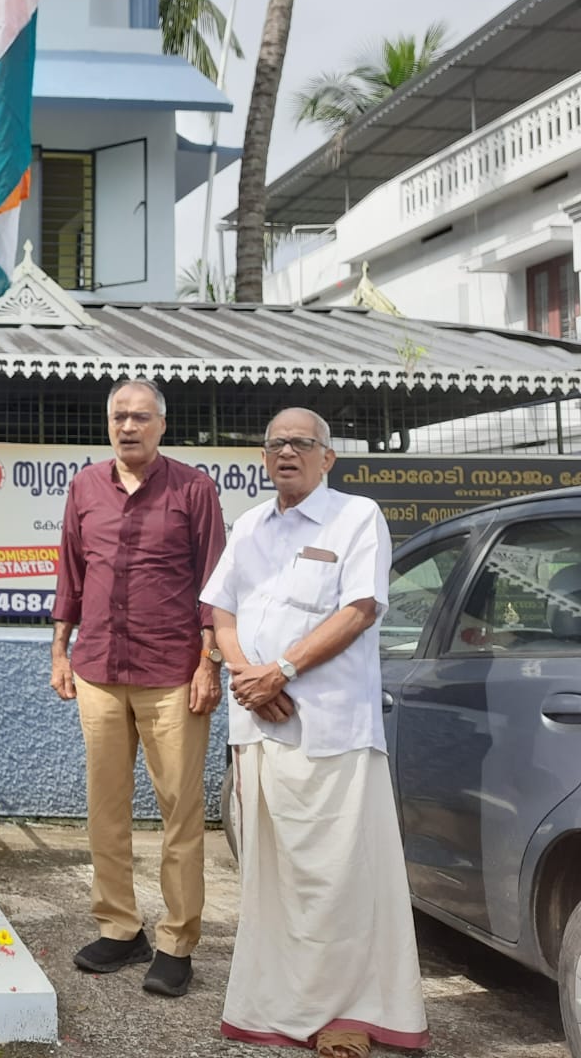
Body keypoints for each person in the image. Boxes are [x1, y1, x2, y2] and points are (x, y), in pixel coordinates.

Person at [204, 408, 428, 1058]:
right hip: (259, 725)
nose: (287, 452)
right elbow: (220, 610)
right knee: (273, 881)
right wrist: (249, 676)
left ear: (328, 457)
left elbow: (360, 609)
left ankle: (349, 1013)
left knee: (338, 879)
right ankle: (277, 1005)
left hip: (331, 730)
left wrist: (283, 670)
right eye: (275, 443)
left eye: (302, 443)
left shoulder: (356, 517)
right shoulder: (250, 525)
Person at [49, 378, 226, 998]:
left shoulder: (193, 489)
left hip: (173, 672)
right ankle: (120, 928)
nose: (128, 426)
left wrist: (210, 662)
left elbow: (214, 583)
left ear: (162, 425)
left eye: (141, 417)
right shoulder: (84, 487)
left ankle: (177, 941)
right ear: (109, 424)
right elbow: (71, 573)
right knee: (106, 808)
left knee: (180, 810)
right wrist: (59, 651)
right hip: (98, 666)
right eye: (119, 416)